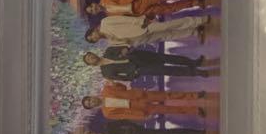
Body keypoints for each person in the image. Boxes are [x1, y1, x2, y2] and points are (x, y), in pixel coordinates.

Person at [82, 83, 207, 121]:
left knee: (167, 95)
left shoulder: (106, 89)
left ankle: (195, 95)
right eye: (90, 104)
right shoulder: (107, 113)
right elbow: (125, 116)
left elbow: (122, 87)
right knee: (167, 110)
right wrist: (141, 116)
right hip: (138, 109)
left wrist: (115, 85)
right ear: (92, 107)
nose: (92, 102)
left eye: (90, 100)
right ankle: (195, 110)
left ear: (92, 96)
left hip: (140, 96)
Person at [82, 46, 210, 80]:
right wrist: (135, 73)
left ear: (93, 53)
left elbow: (123, 47)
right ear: (91, 64)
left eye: (90, 55)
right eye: (89, 59)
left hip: (139, 56)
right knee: (167, 70)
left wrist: (125, 49)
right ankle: (196, 72)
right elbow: (123, 78)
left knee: (167, 58)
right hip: (139, 69)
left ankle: (194, 63)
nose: (91, 57)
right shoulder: (105, 73)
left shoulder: (108, 51)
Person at [85, 13, 209, 48]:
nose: (95, 37)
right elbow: (126, 44)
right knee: (168, 35)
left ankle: (198, 20)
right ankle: (193, 31)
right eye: (93, 40)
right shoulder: (110, 42)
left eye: (92, 35)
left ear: (93, 30)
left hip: (141, 27)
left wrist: (140, 21)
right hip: (140, 40)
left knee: (168, 25)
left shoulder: (105, 22)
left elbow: (123, 19)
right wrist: (117, 40)